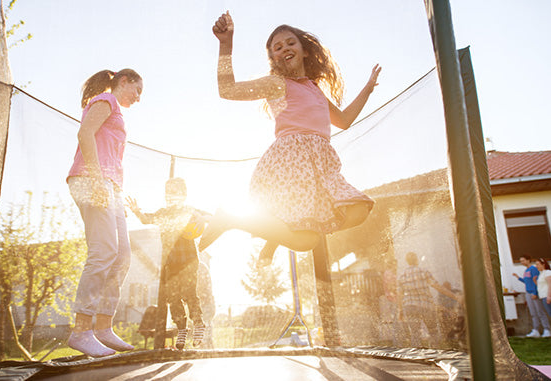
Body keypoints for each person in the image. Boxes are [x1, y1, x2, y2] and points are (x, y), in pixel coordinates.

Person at [199, 12, 381, 262]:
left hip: (321, 164)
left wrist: (368, 89)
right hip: (291, 162)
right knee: (306, 234)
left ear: (304, 51)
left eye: (290, 43)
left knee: (351, 214)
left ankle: (274, 238)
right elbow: (228, 90)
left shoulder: (314, 88)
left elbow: (344, 121)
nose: (284, 48)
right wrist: (225, 45)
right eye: (277, 47)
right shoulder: (277, 84)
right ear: (273, 58)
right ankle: (232, 218)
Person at [66, 68, 143, 357]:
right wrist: (97, 180)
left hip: (112, 186)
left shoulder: (116, 111)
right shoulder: (106, 100)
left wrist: (112, 189)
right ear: (123, 81)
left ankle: (102, 326)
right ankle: (81, 330)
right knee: (103, 251)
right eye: (137, 90)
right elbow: (85, 133)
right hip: (91, 179)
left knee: (122, 254)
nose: (138, 97)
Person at [127, 177, 210, 350]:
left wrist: (207, 218)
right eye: (169, 193)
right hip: (170, 263)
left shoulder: (190, 211)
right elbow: (146, 219)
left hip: (188, 260)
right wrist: (136, 211)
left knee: (188, 293)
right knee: (173, 298)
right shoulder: (163, 213)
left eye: (176, 192)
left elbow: (209, 217)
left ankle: (199, 323)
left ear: (183, 195)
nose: (171, 196)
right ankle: (182, 328)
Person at [397, 252, 458, 347]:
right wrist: (455, 296)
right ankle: (434, 352)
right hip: (426, 306)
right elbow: (438, 287)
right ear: (416, 260)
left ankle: (416, 357)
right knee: (433, 331)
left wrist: (400, 310)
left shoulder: (402, 275)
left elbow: (399, 295)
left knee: (415, 334)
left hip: (410, 307)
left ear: (407, 261)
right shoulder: (423, 271)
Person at [513, 255, 551, 337]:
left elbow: (536, 282)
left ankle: (547, 329)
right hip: (528, 293)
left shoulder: (534, 269)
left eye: (523, 260)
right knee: (533, 313)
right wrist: (518, 277)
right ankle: (536, 330)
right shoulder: (526, 270)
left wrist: (534, 292)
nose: (521, 262)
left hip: (534, 294)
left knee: (540, 312)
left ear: (528, 260)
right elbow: (527, 282)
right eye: (520, 261)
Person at [535, 258, 551, 330]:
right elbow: (541, 286)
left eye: (538, 264)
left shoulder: (547, 272)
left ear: (543, 265)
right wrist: (535, 281)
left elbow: (550, 284)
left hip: (547, 296)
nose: (536, 266)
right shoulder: (541, 274)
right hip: (543, 297)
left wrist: (549, 296)